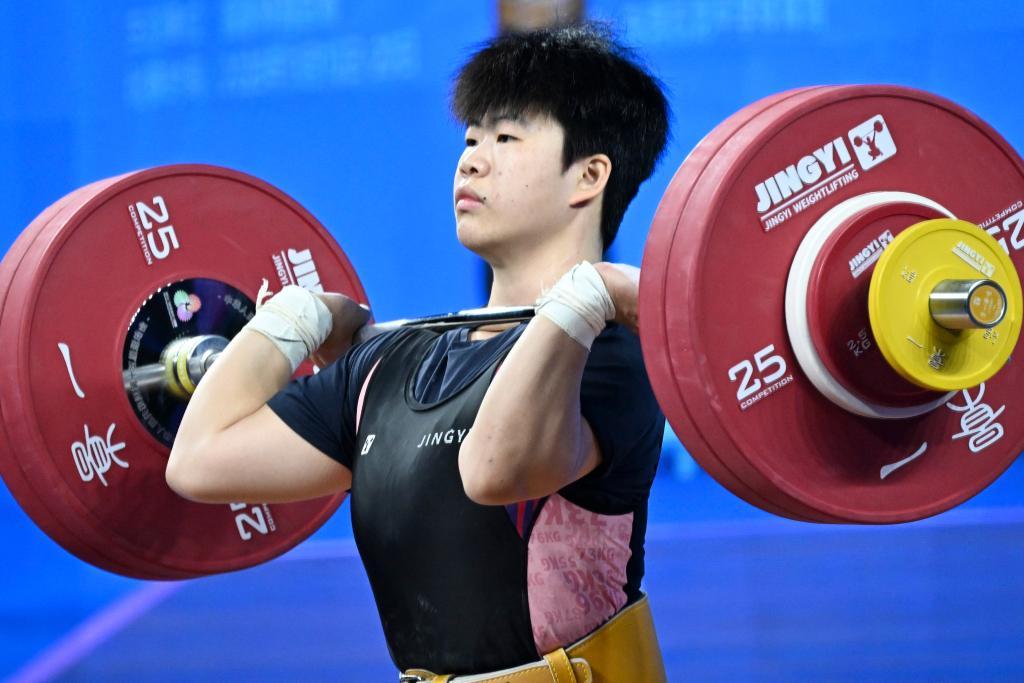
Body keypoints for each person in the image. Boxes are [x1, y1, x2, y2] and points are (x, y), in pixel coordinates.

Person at [166, 22, 671, 683]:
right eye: (470, 140)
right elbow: (200, 459)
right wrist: (297, 318)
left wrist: (584, 297)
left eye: (505, 139)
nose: (471, 161)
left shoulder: (611, 357)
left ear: (589, 175)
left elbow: (493, 470)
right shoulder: (389, 363)